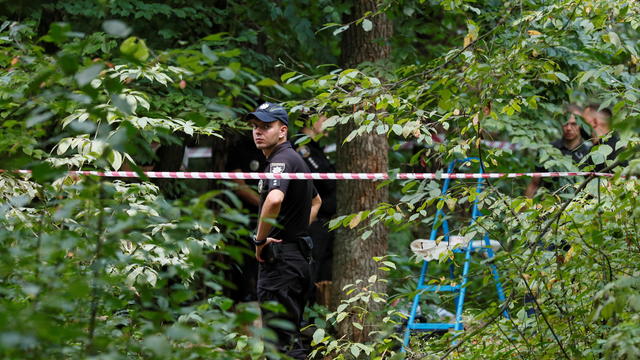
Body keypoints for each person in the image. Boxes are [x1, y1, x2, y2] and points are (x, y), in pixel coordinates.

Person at [246, 102, 322, 359]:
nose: (258, 132)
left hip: (282, 264)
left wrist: (259, 240)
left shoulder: (281, 161)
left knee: (281, 347)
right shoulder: (294, 159)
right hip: (295, 259)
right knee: (288, 342)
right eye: (255, 127)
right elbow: (316, 202)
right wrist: (295, 230)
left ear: (283, 131)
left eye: (266, 127)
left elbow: (274, 199)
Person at [296, 113, 336, 306]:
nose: (328, 124)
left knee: (321, 268)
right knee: (310, 265)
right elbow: (324, 180)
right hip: (312, 217)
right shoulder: (302, 146)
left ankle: (315, 311)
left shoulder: (317, 147)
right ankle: (304, 311)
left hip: (324, 217)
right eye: (324, 118)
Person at [224, 134, 267, 304]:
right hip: (246, 217)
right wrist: (267, 206)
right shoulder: (240, 148)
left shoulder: (283, 150)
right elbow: (238, 187)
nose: (259, 131)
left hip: (275, 218)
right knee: (245, 262)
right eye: (255, 125)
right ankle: (246, 299)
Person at [526, 106, 592, 198]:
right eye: (565, 123)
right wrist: (522, 211)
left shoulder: (590, 152)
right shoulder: (547, 150)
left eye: (573, 124)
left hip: (581, 206)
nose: (569, 128)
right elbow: (534, 184)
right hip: (551, 206)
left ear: (581, 124)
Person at [582, 104, 626, 171]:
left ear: (594, 122)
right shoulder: (620, 145)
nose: (580, 126)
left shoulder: (597, 151)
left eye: (583, 121)